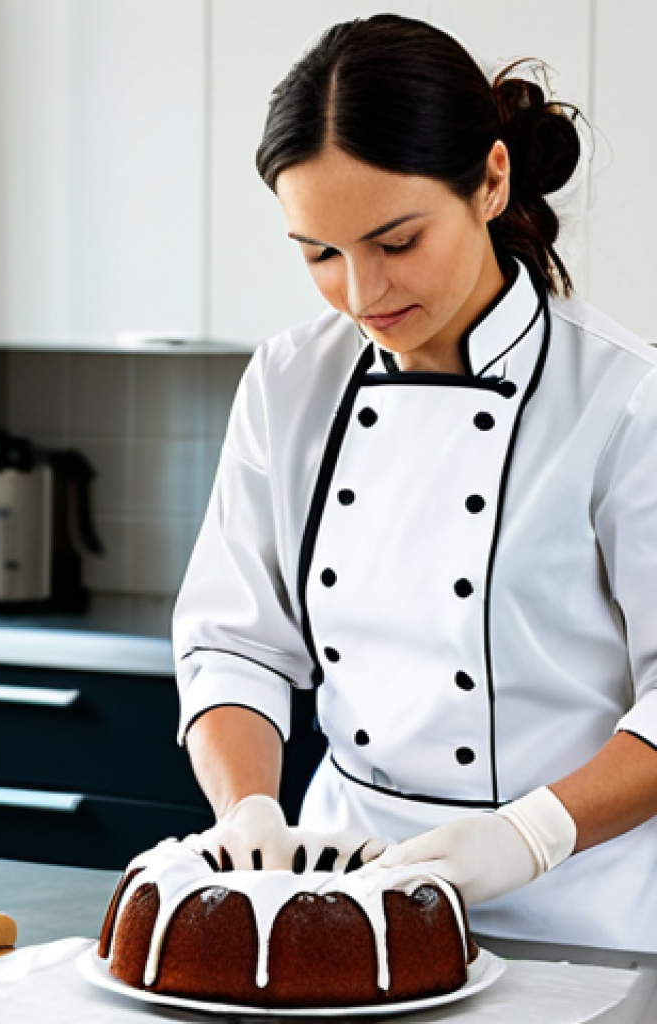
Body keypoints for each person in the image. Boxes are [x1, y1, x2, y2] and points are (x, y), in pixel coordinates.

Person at [172, 13, 657, 952]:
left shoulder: (627, 401)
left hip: (581, 915)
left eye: (395, 241)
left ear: (490, 181)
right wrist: (247, 812)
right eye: (319, 253)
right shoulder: (288, 380)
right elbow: (234, 643)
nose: (361, 295)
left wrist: (528, 835)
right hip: (340, 903)